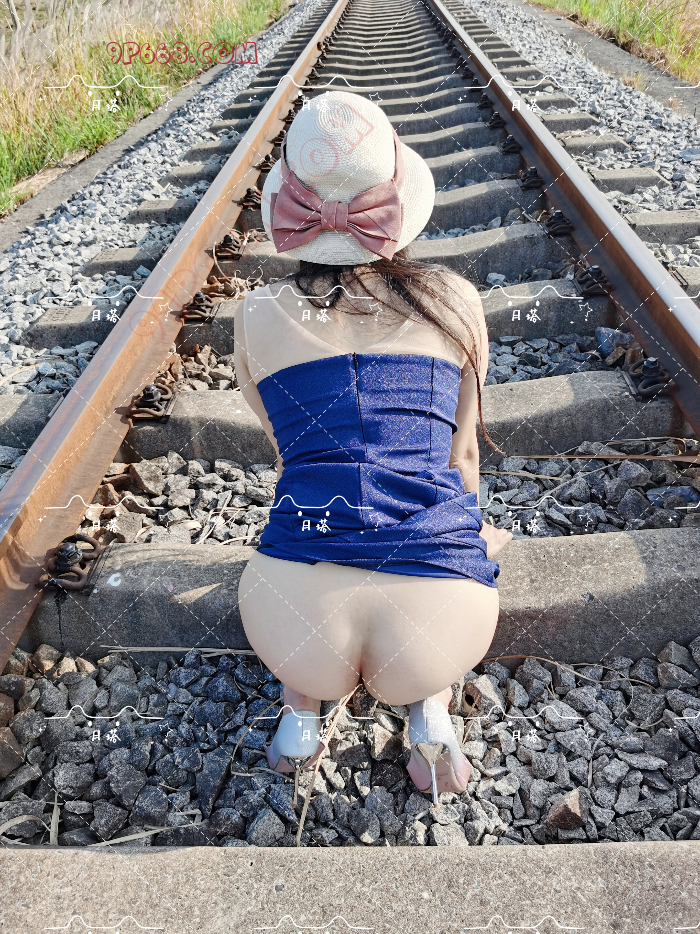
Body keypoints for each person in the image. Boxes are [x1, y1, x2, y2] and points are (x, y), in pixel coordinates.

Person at [234, 91, 512, 804]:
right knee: (452, 549)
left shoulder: (256, 314)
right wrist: (468, 534)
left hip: (293, 624)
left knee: (308, 518)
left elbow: (291, 458)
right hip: (439, 622)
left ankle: (302, 717)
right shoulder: (452, 298)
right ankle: (432, 714)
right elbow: (462, 463)